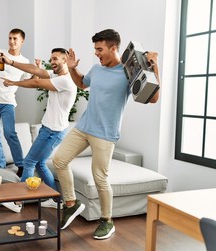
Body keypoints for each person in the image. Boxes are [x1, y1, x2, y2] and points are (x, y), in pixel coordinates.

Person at [52, 29, 160, 239]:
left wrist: (155, 66)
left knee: (100, 177)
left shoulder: (128, 73)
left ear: (113, 48)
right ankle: (71, 204)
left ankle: (107, 221)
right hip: (84, 127)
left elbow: (153, 99)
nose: (96, 53)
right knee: (59, 160)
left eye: (99, 49)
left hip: (105, 133)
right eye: (95, 49)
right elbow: (82, 83)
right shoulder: (97, 69)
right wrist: (73, 69)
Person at [0, 48, 77, 212]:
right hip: (49, 128)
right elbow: (36, 71)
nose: (53, 62)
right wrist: (11, 62)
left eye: (56, 59)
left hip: (53, 131)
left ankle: (18, 202)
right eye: (51, 59)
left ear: (65, 60)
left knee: (29, 162)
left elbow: (36, 82)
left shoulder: (66, 81)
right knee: (41, 163)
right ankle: (54, 199)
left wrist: (14, 83)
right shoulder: (57, 75)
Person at [0, 28, 32, 180]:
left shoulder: (24, 61)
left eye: (15, 39)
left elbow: (28, 80)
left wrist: (36, 70)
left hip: (8, 102)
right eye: (10, 38)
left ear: (22, 41)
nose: (12, 41)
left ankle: (21, 165)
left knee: (10, 133)